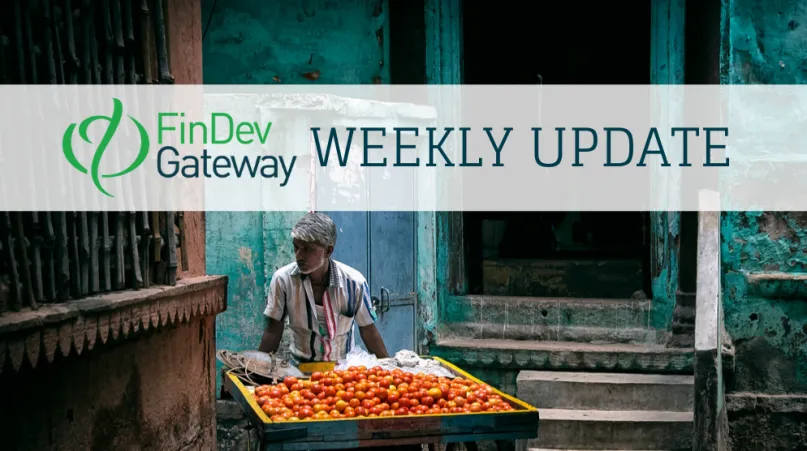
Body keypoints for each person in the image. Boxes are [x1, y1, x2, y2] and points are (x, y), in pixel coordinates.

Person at [258, 212, 390, 363]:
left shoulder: (354, 283)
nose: (299, 255)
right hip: (301, 369)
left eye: (308, 249)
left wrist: (389, 369)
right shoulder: (283, 280)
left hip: (344, 370)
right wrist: (256, 369)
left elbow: (368, 330)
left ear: (328, 251)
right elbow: (273, 330)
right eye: (296, 247)